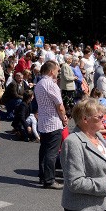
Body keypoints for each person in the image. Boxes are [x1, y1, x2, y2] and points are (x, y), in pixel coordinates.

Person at [35, 60, 68, 189]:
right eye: (57, 70)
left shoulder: (39, 84)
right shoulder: (51, 84)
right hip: (53, 122)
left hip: (43, 121)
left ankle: (43, 176)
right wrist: (64, 118)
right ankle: (49, 180)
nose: (58, 73)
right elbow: (59, 105)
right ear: (51, 71)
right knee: (52, 153)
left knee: (43, 150)